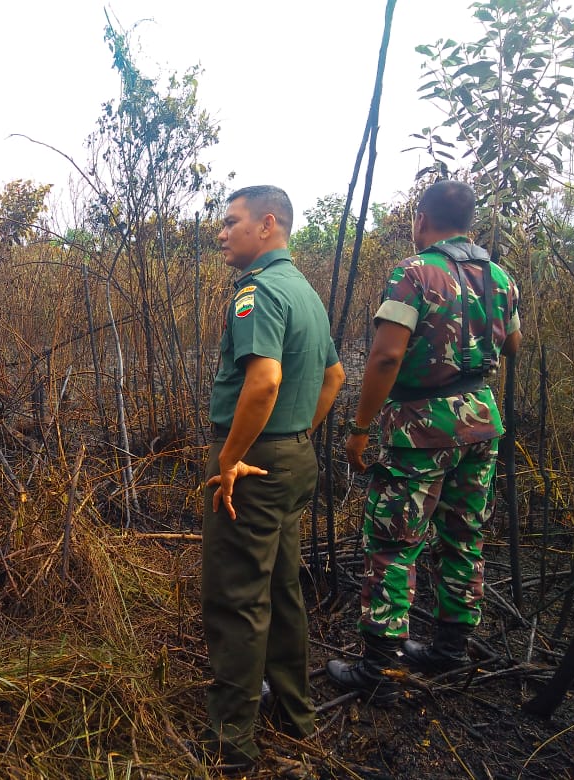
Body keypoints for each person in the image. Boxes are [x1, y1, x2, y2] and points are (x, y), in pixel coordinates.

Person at [326, 180, 521, 703]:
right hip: (481, 421)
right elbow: (516, 342)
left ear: (421, 218)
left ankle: (377, 672)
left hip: (421, 429)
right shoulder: (500, 276)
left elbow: (387, 356)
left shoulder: (415, 272)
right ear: (470, 221)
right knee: (465, 535)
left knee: (392, 544)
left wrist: (361, 427)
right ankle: (450, 652)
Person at [199, 185, 345, 770]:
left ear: (267, 225)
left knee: (236, 596)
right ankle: (295, 712)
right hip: (292, 460)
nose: (221, 233)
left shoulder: (257, 293)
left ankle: (231, 742)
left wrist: (231, 457)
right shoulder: (304, 291)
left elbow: (263, 382)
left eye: (230, 222)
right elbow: (334, 377)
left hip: (254, 466)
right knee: (283, 587)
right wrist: (294, 435)